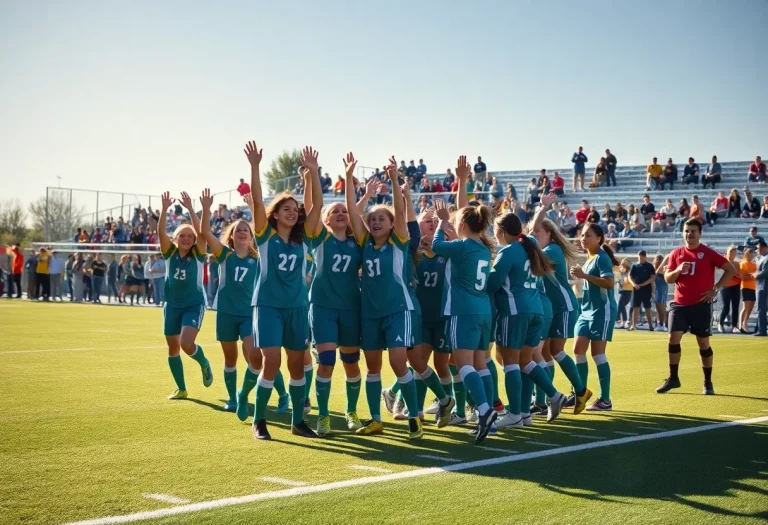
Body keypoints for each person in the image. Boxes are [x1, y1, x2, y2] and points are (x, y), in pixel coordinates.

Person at [342, 156, 423, 441]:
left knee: (399, 363)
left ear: (391, 224)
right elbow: (353, 211)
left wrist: (394, 178)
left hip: (398, 310)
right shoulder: (365, 243)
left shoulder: (399, 242)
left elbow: (400, 212)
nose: (375, 222)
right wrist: (349, 176)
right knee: (372, 367)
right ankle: (376, 419)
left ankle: (414, 416)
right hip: (370, 313)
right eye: (372, 219)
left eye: (381, 219)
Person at [296, 152, 368, 436]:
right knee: (326, 362)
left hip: (351, 308)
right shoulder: (320, 238)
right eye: (334, 212)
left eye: (344, 212)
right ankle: (323, 415)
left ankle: (351, 412)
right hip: (323, 308)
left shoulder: (357, 243)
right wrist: (313, 173)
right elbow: (312, 206)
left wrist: (351, 179)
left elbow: (355, 209)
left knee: (351, 363)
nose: (340, 214)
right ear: (324, 220)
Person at [489, 195, 572, 430]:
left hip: (516, 311)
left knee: (510, 362)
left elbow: (492, 285)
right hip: (536, 310)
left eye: (496, 230)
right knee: (526, 361)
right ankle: (545, 401)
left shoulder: (508, 252)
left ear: (502, 231)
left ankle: (515, 412)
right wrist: (542, 208)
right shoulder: (531, 246)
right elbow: (534, 229)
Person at [429, 158, 497, 444]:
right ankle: (489, 409)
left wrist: (441, 222)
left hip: (463, 312)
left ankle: (483, 410)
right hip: (483, 311)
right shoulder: (482, 246)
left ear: (464, 226)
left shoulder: (463, 245)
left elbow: (435, 246)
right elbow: (466, 216)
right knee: (481, 365)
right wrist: (462, 182)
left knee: (464, 364)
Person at [657, 218, 736, 396]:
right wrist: (677, 270)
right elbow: (668, 278)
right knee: (672, 338)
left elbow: (731, 270)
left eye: (693, 231)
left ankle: (707, 382)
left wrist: (715, 289)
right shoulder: (676, 253)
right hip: (679, 304)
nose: (689, 234)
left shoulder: (708, 253)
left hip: (700, 304)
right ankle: (673, 378)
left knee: (703, 342)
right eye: (686, 231)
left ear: (699, 233)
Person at [529, 201, 593, 414]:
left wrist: (541, 211)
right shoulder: (547, 249)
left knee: (555, 350)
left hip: (564, 307)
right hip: (551, 309)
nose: (534, 235)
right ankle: (542, 400)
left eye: (538, 232)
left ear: (548, 233)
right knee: (543, 353)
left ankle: (581, 390)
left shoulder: (553, 250)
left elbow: (530, 251)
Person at [158, 190, 213, 401]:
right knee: (173, 348)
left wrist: (191, 208)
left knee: (186, 344)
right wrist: (164, 209)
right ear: (176, 238)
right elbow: (161, 232)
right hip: (171, 305)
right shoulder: (170, 253)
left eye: (190, 236)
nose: (187, 238)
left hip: (193, 304)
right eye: (183, 235)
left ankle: (204, 363)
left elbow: (202, 234)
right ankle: (181, 388)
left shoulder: (198, 255)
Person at [570, 224, 618, 411]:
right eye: (582, 235)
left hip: (602, 310)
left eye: (587, 235)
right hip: (586, 311)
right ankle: (580, 394)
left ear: (598, 238)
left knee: (597, 354)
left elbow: (608, 283)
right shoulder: (590, 258)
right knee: (578, 349)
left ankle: (605, 400)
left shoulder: (602, 258)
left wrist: (583, 276)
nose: (583, 238)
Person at [716, 246, 741, 334]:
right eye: (731, 252)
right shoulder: (723, 262)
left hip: (735, 286)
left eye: (734, 252)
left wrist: (733, 275)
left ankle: (734, 326)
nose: (733, 254)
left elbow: (738, 275)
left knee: (735, 307)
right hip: (725, 286)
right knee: (725, 307)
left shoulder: (737, 263)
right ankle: (720, 323)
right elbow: (721, 273)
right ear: (727, 253)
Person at [628, 251, 656, 331]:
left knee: (647, 307)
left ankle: (650, 325)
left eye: (642, 256)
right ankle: (633, 325)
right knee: (636, 307)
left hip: (646, 289)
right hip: (636, 289)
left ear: (645, 257)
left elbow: (652, 278)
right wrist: (634, 284)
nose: (640, 258)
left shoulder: (649, 266)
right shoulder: (635, 266)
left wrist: (643, 284)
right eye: (639, 256)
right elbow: (630, 276)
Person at [738, 248, 757, 334]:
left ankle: (745, 323)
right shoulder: (743, 263)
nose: (753, 255)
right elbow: (742, 277)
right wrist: (752, 276)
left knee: (751, 307)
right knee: (745, 307)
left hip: (753, 287)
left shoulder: (754, 264)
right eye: (752, 253)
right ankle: (741, 325)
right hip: (745, 287)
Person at [753, 241, 768, 336]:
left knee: (761, 309)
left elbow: (766, 272)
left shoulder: (766, 259)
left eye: (758, 248)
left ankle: (762, 330)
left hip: (764, 286)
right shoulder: (762, 258)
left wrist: (755, 275)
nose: (757, 250)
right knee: (761, 309)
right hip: (761, 286)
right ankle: (759, 328)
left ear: (764, 247)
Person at [653, 254, 670, 331]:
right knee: (657, 306)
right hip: (656, 288)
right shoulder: (654, 269)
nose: (657, 261)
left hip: (662, 288)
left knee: (662, 306)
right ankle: (659, 323)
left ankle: (663, 324)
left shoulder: (664, 268)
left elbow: (658, 272)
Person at [615, 259, 632, 329]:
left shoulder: (629, 272)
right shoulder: (621, 272)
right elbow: (618, 279)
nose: (622, 264)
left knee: (620, 305)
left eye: (623, 263)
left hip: (628, 290)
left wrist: (622, 282)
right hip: (622, 290)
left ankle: (617, 319)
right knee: (622, 307)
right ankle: (623, 322)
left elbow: (628, 281)